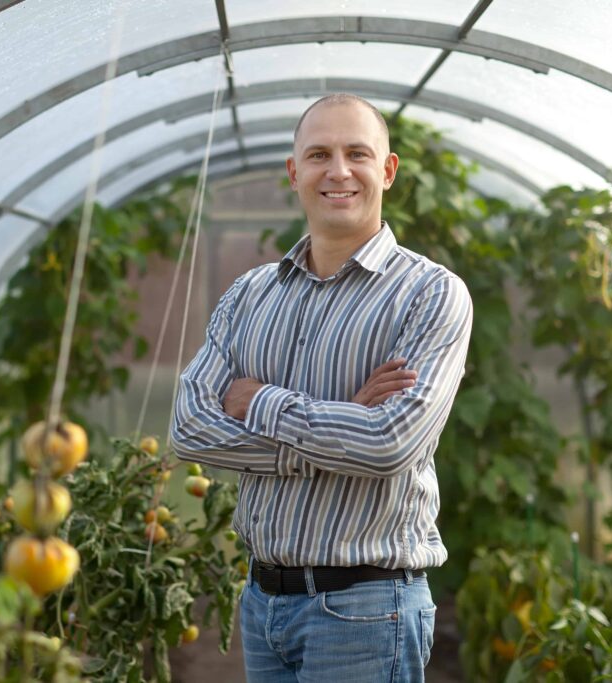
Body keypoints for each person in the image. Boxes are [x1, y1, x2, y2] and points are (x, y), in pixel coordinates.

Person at [170, 93, 473, 681]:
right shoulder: (250, 294)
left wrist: (258, 401)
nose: (338, 171)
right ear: (294, 172)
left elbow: (388, 443)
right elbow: (189, 428)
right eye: (318, 155)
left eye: (357, 153)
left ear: (387, 170)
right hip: (262, 603)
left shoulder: (430, 293)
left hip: (366, 610)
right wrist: (341, 420)